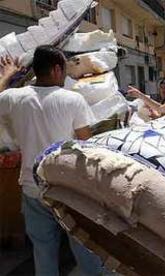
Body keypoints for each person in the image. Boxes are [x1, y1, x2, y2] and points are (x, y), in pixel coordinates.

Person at [0, 46, 106, 275]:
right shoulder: (72, 100)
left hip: (32, 189)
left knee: (44, 251)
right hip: (67, 189)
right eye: (65, 70)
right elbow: (86, 143)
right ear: (57, 69)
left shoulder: (13, 98)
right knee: (84, 249)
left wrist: (7, 75)